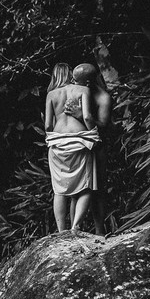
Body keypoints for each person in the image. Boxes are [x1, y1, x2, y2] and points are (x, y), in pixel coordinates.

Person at [44, 63, 99, 231]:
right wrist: (94, 134)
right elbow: (88, 117)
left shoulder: (51, 95)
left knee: (59, 190)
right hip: (80, 141)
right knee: (85, 186)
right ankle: (75, 226)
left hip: (58, 143)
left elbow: (47, 125)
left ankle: (61, 231)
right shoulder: (83, 90)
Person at [71, 63, 114, 234]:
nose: (72, 84)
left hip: (98, 147)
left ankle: (99, 230)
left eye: (76, 81)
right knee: (76, 189)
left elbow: (103, 125)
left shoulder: (103, 98)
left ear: (87, 83)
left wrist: (82, 116)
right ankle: (72, 230)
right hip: (77, 146)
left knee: (98, 190)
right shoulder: (76, 91)